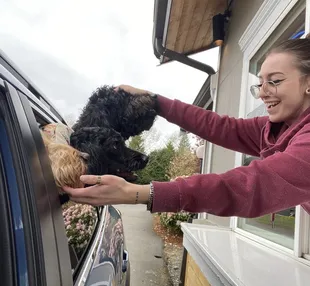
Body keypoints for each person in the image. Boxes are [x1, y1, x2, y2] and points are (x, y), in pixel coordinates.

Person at [64, 35, 310, 218]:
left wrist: (137, 193)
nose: (263, 93)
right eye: (260, 84)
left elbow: (251, 186)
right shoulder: (279, 127)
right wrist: (155, 101)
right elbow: (221, 127)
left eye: (275, 81)